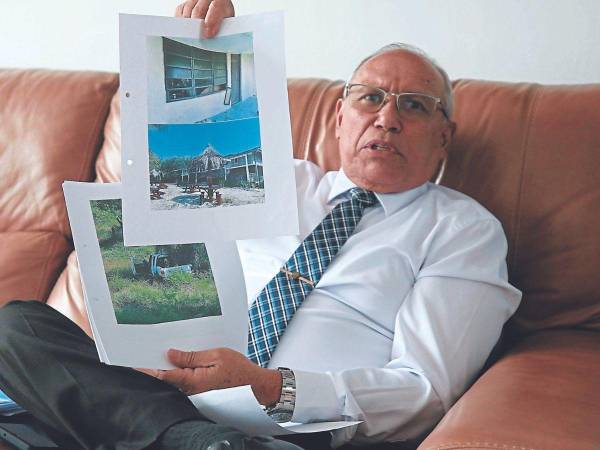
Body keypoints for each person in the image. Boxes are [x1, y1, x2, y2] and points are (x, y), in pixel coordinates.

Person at [0, 1, 522, 449]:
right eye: (370, 97)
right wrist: (206, 42)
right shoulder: (276, 178)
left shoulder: (461, 229)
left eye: (414, 106)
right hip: (157, 393)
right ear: (340, 116)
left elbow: (423, 388)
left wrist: (271, 387)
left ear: (444, 136)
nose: (387, 118)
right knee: (16, 324)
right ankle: (190, 439)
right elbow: (161, 187)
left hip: (288, 424)